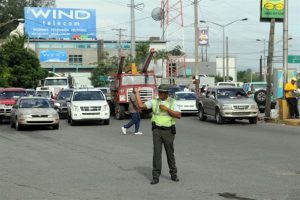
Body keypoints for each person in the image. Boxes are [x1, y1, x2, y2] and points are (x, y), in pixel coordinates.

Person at [135, 84, 181, 184]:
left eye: (161, 92)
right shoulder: (155, 101)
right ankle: (155, 176)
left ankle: (174, 174)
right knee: (156, 154)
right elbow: (141, 106)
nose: (159, 94)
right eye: (159, 92)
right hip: (157, 131)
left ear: (166, 93)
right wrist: (137, 93)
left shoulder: (173, 102)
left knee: (170, 154)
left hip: (168, 131)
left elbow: (178, 115)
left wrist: (166, 109)